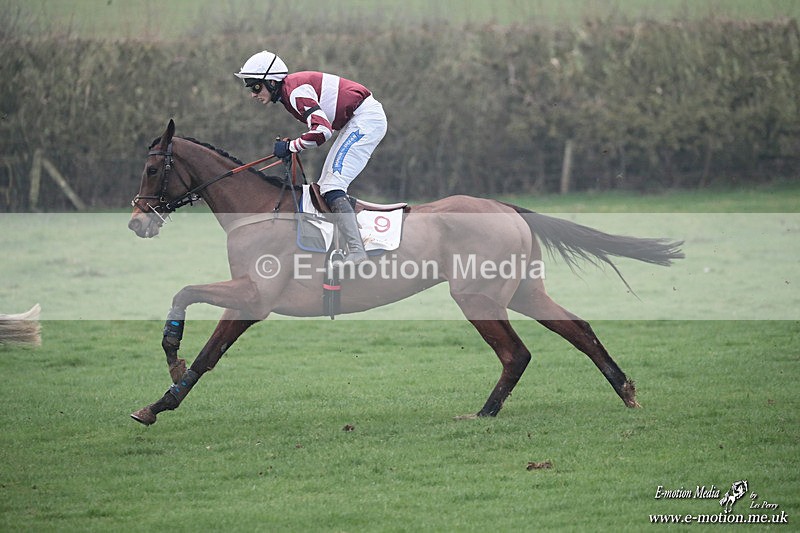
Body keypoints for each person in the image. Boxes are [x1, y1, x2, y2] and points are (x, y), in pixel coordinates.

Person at [234, 50, 387, 265]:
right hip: (357, 119)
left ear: (271, 81)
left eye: (255, 86)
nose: (252, 93)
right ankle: (346, 242)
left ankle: (357, 250)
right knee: (326, 186)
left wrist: (291, 146)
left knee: (333, 185)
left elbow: (322, 131)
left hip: (365, 119)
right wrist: (292, 146)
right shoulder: (289, 92)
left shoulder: (294, 93)